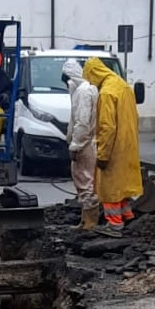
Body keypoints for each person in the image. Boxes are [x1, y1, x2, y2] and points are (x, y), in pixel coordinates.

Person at [82, 57, 143, 238]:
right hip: (128, 143)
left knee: (109, 186)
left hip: (114, 146)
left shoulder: (107, 93)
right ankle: (127, 215)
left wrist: (103, 154)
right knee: (122, 184)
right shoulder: (123, 86)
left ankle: (114, 223)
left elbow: (107, 127)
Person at [61, 59, 100, 230]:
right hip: (87, 142)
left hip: (84, 144)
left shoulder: (83, 92)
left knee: (85, 182)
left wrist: (75, 145)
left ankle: (90, 222)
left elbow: (82, 122)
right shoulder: (84, 90)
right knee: (86, 181)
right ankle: (86, 220)